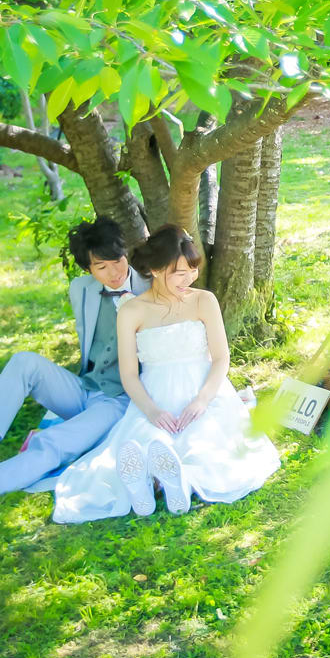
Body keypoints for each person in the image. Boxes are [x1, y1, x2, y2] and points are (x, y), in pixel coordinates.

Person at [0, 216, 149, 513]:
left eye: (117, 261)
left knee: (54, 442)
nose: (113, 272)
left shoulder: (151, 289)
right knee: (25, 362)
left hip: (120, 401)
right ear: (88, 269)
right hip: (85, 387)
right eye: (101, 267)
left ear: (125, 252)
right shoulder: (81, 289)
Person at [52, 224, 280, 523]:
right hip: (155, 395)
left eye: (193, 270)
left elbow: (222, 358)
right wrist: (152, 410)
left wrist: (201, 400)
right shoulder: (132, 310)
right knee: (148, 439)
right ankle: (147, 483)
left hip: (204, 390)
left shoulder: (203, 300)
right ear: (157, 270)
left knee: (206, 444)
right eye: (179, 272)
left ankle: (177, 482)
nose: (189, 279)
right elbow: (129, 374)